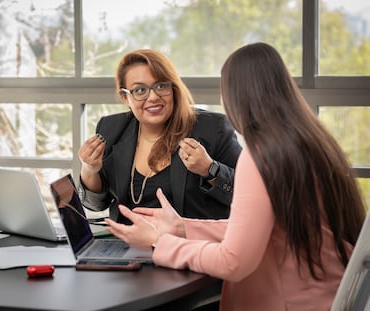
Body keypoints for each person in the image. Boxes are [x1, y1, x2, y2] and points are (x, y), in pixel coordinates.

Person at [104, 42, 367, 310]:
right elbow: (262, 227)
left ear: (237, 96)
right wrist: (183, 227)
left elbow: (233, 261)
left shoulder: (261, 157)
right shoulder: (307, 142)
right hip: (326, 295)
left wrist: (159, 242)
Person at [78, 49, 242, 223]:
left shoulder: (213, 128)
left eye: (161, 86)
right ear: (125, 97)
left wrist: (209, 169)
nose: (154, 97)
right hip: (127, 245)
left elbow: (249, 194)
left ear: (173, 88)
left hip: (187, 246)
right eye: (140, 90)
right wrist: (89, 169)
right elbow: (96, 205)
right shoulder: (111, 128)